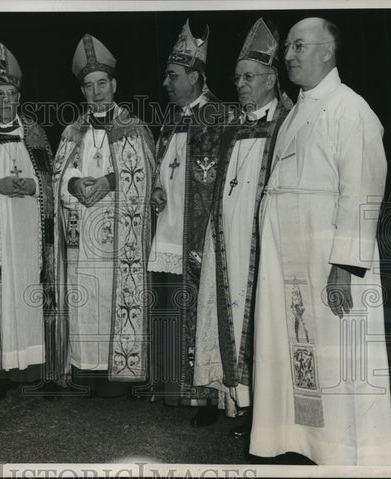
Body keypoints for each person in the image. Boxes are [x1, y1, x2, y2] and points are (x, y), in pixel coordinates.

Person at [249, 17, 391, 464]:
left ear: (327, 52)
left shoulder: (352, 109)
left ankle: (347, 454)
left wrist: (344, 267)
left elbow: (363, 191)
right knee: (296, 355)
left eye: (298, 46)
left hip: (328, 267)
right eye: (289, 47)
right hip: (291, 264)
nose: (288, 55)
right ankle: (301, 443)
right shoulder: (299, 111)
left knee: (338, 366)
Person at [194, 18, 291, 435]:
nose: (241, 85)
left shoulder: (286, 122)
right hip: (225, 237)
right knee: (221, 312)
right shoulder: (231, 126)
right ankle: (224, 394)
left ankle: (260, 406)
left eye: (249, 77)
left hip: (260, 243)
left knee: (258, 317)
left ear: (271, 78)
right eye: (237, 78)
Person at [53, 34, 155, 396]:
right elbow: (59, 176)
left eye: (101, 84)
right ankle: (86, 372)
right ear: (82, 91)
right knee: (85, 300)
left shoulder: (135, 128)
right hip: (82, 236)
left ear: (114, 84)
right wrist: (75, 184)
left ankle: (123, 379)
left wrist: (111, 181)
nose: (96, 93)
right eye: (88, 87)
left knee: (115, 298)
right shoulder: (71, 131)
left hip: (118, 241)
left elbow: (145, 179)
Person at [0, 43, 59, 400]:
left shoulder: (35, 133)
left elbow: (51, 181)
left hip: (31, 237)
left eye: (10, 94)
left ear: (19, 98)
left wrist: (34, 185)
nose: (4, 101)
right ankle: (2, 374)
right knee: (2, 299)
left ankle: (37, 368)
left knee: (31, 295)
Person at [147, 19, 224, 425]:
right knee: (169, 311)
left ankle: (205, 396)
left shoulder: (218, 117)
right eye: (166, 75)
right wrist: (157, 191)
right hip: (168, 230)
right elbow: (166, 171)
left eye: (173, 75)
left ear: (195, 76)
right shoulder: (171, 119)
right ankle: (172, 389)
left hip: (197, 235)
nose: (166, 82)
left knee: (198, 310)